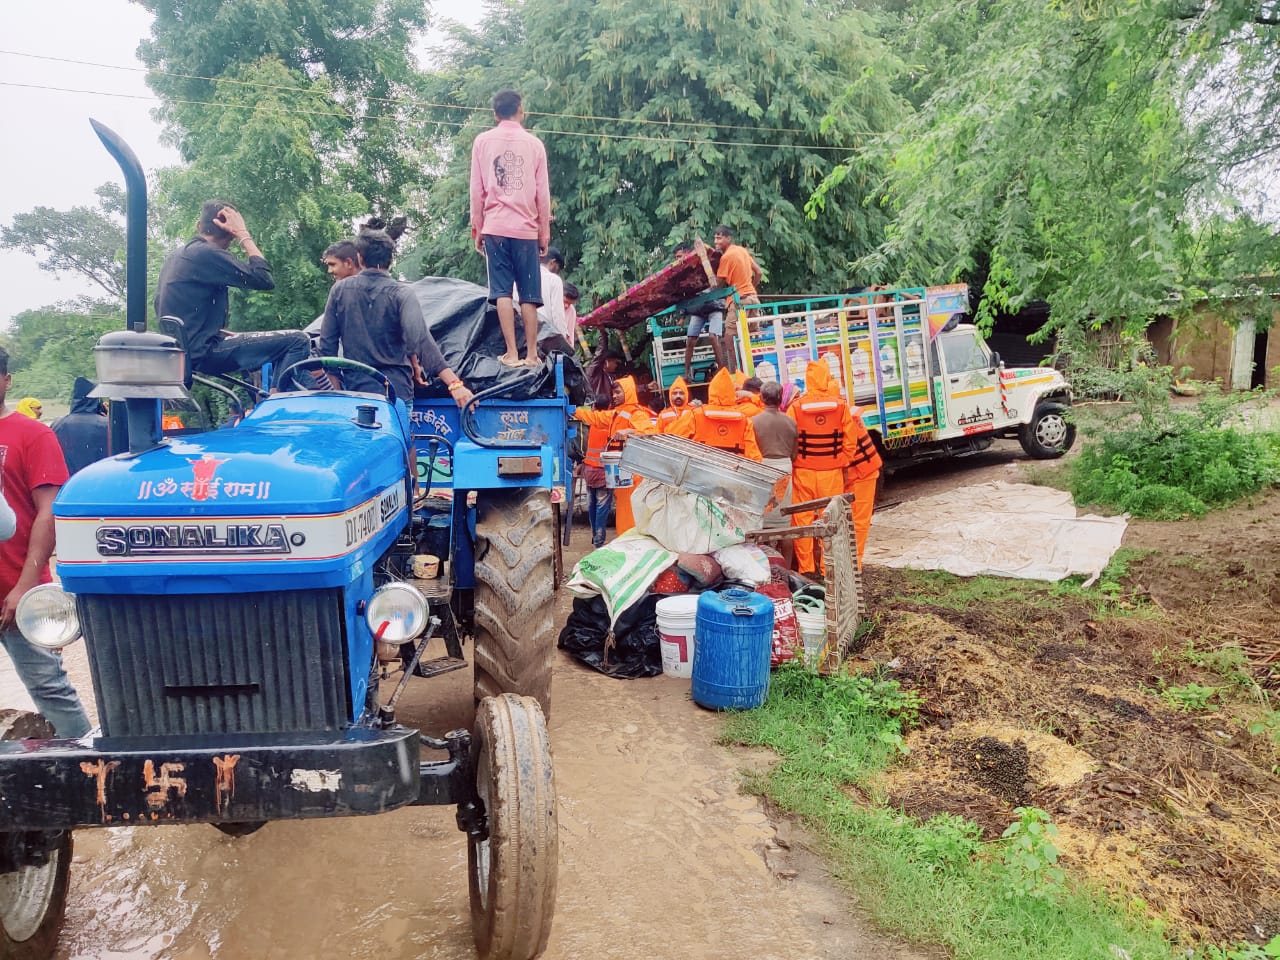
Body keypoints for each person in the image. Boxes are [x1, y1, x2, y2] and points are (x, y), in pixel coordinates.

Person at [0, 348, 90, 738]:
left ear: (6, 380)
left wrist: (24, 586)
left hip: (18, 589)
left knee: (49, 688)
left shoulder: (32, 435)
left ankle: (86, 772)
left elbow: (47, 511)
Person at [155, 200, 310, 391]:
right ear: (230, 232)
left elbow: (178, 313)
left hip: (186, 354)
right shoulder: (206, 253)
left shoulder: (177, 256)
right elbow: (264, 279)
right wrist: (244, 235)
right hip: (206, 353)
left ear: (199, 226)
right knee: (298, 340)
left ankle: (271, 398)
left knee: (266, 346)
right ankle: (280, 406)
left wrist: (218, 333)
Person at [318, 228, 474, 409]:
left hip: (357, 393)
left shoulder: (340, 290)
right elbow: (420, 341)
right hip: (395, 393)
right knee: (396, 438)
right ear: (390, 260)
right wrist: (455, 384)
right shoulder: (402, 293)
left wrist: (336, 394)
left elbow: (327, 345)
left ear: (360, 258)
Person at [469, 89, 552, 368]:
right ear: (521, 109)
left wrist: (477, 228)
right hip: (527, 229)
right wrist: (544, 232)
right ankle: (531, 354)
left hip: (495, 227)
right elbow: (543, 193)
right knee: (529, 292)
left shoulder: (482, 142)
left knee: (502, 291)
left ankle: (511, 354)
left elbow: (476, 190)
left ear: (495, 113)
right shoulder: (534, 144)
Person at [788, 360, 880, 575]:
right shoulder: (841, 407)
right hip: (832, 473)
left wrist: (796, 462)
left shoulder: (796, 407)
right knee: (832, 519)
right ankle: (830, 568)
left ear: (808, 381)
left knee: (803, 520)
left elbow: (791, 437)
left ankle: (806, 569)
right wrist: (840, 462)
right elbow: (849, 442)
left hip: (804, 471)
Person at [573, 376, 656, 535]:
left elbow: (650, 432)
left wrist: (628, 432)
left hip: (633, 474)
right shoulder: (617, 414)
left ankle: (630, 542)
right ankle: (625, 539)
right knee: (624, 511)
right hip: (622, 473)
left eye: (618, 392)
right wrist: (575, 411)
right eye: (614, 393)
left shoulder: (637, 413)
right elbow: (595, 418)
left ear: (628, 392)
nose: (615, 396)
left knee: (630, 512)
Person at [669, 367, 762, 461]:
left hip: (701, 467)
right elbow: (754, 456)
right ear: (732, 393)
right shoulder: (744, 420)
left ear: (711, 390)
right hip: (734, 470)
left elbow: (670, 436)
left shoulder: (694, 415)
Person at [752, 379, 799, 562]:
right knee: (784, 522)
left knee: (761, 521)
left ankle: (763, 564)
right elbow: (795, 454)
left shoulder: (753, 422)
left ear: (762, 397)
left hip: (762, 468)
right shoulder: (791, 422)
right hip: (785, 467)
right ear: (781, 399)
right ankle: (787, 568)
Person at [671, 242, 729, 377]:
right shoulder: (683, 273)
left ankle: (722, 371)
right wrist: (682, 316)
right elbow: (686, 295)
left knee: (713, 337)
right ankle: (686, 374)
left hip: (714, 305)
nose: (678, 260)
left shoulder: (702, 263)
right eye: (676, 258)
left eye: (679, 256)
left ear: (687, 253)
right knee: (690, 340)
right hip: (698, 309)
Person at [713, 225, 762, 375]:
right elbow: (758, 273)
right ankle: (757, 370)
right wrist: (750, 289)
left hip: (739, 302)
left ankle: (737, 374)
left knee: (729, 338)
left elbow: (718, 284)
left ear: (729, 238)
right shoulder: (742, 251)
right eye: (715, 238)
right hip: (753, 300)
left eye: (719, 238)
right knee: (751, 336)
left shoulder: (726, 257)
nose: (716, 241)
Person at [842, 398, 883, 571]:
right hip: (859, 472)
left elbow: (847, 451)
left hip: (862, 473)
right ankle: (852, 561)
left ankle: (855, 564)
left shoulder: (841, 417)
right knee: (852, 521)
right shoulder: (843, 411)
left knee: (858, 521)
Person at [51, 377, 108, 476]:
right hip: (99, 478)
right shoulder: (106, 424)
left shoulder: (57, 424)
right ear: (97, 400)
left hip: (69, 482)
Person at [579, 392, 615, 548]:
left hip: (589, 471)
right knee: (602, 507)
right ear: (609, 406)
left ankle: (595, 535)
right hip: (603, 472)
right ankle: (599, 539)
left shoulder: (593, 424)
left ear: (595, 406)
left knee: (592, 505)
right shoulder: (610, 423)